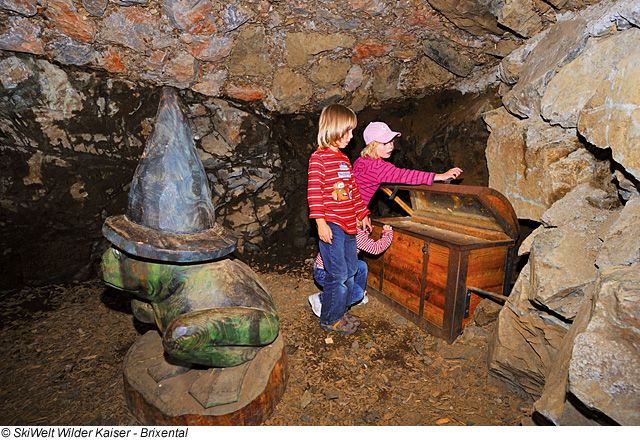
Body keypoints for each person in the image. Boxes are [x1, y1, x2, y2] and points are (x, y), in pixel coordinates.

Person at [308, 104, 372, 335]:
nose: (351, 137)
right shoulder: (319, 159)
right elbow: (314, 193)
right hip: (331, 223)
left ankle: (340, 310)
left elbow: (353, 192)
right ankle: (330, 319)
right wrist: (320, 223)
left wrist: (362, 213)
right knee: (338, 273)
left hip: (348, 225)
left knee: (351, 268)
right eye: (346, 132)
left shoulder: (344, 160)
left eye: (352, 131)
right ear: (332, 129)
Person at [352, 121, 463, 208]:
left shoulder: (362, 160)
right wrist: (440, 176)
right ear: (372, 146)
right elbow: (407, 176)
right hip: (352, 215)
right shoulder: (379, 168)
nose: (391, 146)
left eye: (392, 141)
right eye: (385, 143)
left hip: (345, 208)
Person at [309, 223, 393, 317]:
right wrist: (387, 233)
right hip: (324, 274)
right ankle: (321, 299)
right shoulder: (354, 233)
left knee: (361, 266)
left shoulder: (345, 226)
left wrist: (365, 231)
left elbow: (361, 240)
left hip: (325, 268)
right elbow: (376, 249)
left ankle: (358, 295)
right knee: (357, 293)